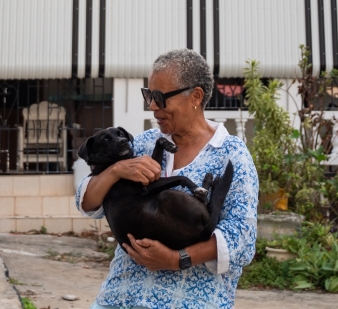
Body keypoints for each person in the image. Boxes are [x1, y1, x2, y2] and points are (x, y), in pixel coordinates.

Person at [76, 48, 259, 309]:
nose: (152, 106)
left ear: (195, 96)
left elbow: (242, 238)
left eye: (160, 97)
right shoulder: (143, 144)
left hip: (190, 302)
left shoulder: (231, 154)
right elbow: (87, 202)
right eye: (149, 96)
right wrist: (116, 170)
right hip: (119, 297)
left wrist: (176, 259)